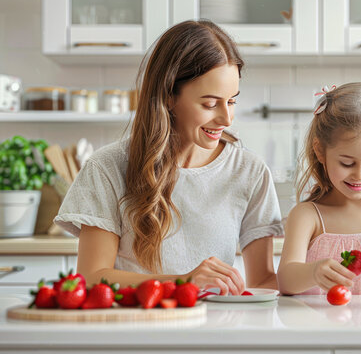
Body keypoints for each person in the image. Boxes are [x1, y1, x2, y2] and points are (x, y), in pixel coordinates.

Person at [54, 20, 283, 295]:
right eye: (210, 103)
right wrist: (183, 282)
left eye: (232, 101)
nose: (226, 118)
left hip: (214, 330)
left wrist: (318, 276)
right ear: (168, 97)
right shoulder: (107, 167)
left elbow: (262, 282)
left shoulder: (249, 171)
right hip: (132, 328)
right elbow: (92, 277)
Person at [277, 82, 361, 295]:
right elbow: (286, 281)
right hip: (322, 327)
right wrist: (313, 272)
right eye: (347, 163)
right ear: (320, 151)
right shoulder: (307, 216)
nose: (360, 175)